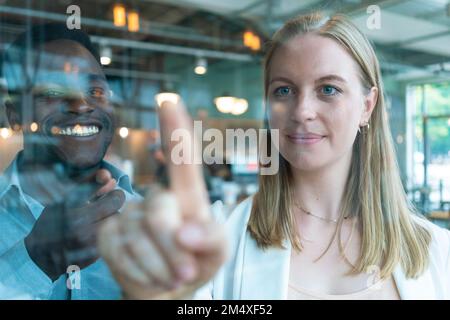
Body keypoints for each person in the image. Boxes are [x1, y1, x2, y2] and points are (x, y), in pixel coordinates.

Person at [97, 13, 450, 299]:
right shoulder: (216, 238)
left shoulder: (438, 251)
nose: (302, 111)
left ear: (367, 106)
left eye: (328, 89)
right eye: (284, 90)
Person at [0, 23, 140, 299]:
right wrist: (35, 261)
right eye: (52, 93)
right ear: (15, 116)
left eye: (95, 92)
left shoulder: (146, 219)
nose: (81, 105)